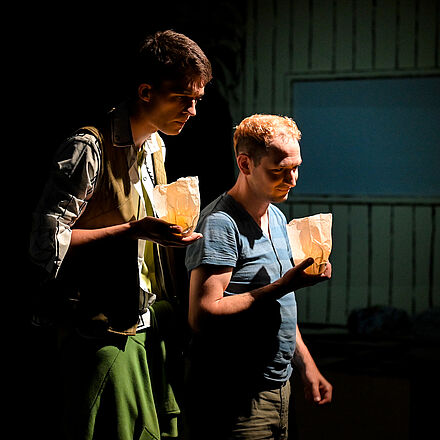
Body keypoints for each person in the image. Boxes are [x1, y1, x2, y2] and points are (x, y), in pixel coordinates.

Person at [29, 30, 212, 440]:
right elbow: (45, 246)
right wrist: (131, 230)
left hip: (147, 324)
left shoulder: (156, 149)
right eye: (184, 97)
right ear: (146, 91)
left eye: (198, 99)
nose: (193, 110)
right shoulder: (88, 147)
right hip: (98, 330)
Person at [184, 114, 333, 440]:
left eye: (296, 167)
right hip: (234, 394)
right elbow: (202, 314)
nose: (292, 179)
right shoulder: (221, 224)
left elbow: (279, 306)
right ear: (246, 164)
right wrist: (283, 285)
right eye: (279, 170)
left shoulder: (277, 217)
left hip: (279, 387)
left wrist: (306, 366)